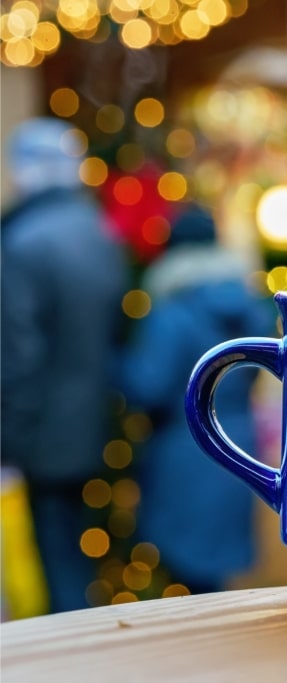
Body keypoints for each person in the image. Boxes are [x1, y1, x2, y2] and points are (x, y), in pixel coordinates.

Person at [1, 117, 128, 613]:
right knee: (72, 555)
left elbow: (17, 356)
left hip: (39, 434)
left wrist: (8, 441)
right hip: (91, 424)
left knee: (50, 563)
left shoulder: (24, 242)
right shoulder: (98, 235)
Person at [118, 203, 273, 595]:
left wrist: (113, 362)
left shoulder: (174, 310)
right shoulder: (249, 306)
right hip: (239, 441)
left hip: (185, 445)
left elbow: (149, 386)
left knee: (187, 573)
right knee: (214, 574)